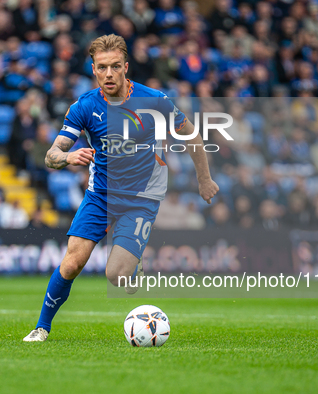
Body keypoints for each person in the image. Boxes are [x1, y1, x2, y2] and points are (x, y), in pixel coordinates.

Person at [23, 35, 219, 342]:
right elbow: (51, 155)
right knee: (72, 262)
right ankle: (41, 327)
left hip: (141, 199)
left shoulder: (153, 100)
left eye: (116, 66)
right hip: (101, 194)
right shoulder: (84, 107)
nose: (109, 73)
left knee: (115, 275)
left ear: (126, 67)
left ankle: (132, 266)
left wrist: (204, 179)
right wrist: (68, 156)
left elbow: (191, 135)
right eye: (103, 67)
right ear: (94, 70)